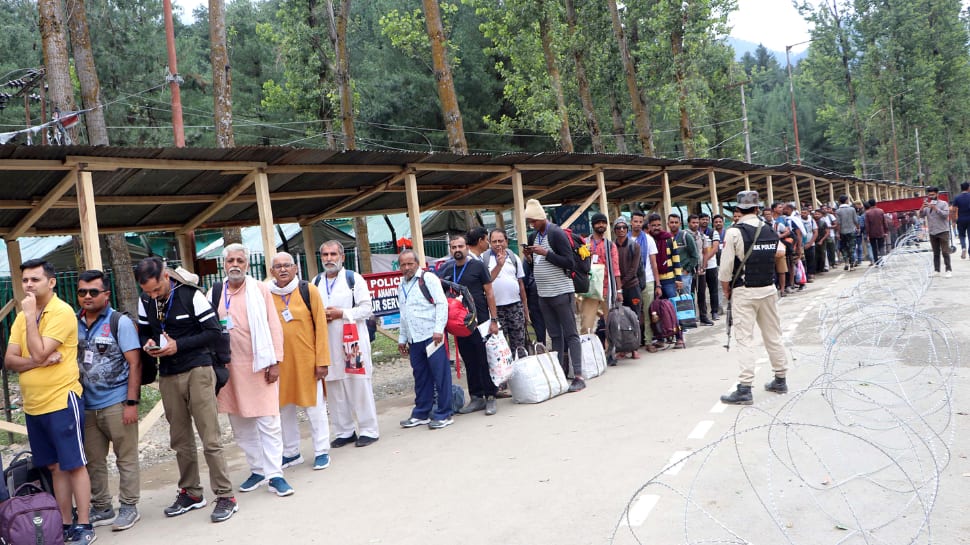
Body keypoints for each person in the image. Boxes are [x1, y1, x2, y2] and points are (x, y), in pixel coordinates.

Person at [135, 257, 238, 522]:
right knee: (180, 439)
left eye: (156, 290)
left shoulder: (191, 296)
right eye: (147, 292)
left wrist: (178, 345)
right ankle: (191, 493)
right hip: (168, 373)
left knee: (210, 437)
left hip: (198, 370)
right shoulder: (145, 300)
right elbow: (145, 332)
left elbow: (214, 333)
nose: (153, 296)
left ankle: (226, 496)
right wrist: (149, 343)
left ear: (166, 277)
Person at [4, 260, 93, 544]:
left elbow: (41, 352)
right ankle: (65, 523)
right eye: (25, 280)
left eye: (35, 280)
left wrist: (31, 320)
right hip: (33, 404)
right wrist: (36, 362)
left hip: (60, 399)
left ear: (51, 282)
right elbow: (9, 360)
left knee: (74, 464)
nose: (28, 285)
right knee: (54, 466)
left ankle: (84, 524)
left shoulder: (61, 312)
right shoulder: (21, 316)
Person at [211, 244, 292, 497]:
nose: (235, 264)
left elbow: (274, 325)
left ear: (247, 265)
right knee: (240, 422)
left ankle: (275, 474)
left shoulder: (260, 290)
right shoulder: (214, 292)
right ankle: (257, 469)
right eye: (231, 260)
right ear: (224, 265)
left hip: (260, 365)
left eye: (240, 260)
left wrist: (276, 361)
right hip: (228, 370)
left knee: (268, 420)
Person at [76, 270, 142, 532]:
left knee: (125, 458)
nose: (87, 296)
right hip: (86, 405)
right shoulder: (73, 322)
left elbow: (134, 364)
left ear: (106, 294)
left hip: (116, 402)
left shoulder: (119, 322)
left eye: (93, 291)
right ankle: (102, 506)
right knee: (93, 460)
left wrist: (131, 403)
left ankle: (129, 507)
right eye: (82, 292)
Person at [718, 192, 790, 405]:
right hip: (768, 289)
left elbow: (725, 270)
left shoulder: (733, 233)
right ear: (758, 209)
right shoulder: (769, 229)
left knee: (745, 339)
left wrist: (727, 291)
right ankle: (780, 378)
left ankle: (745, 388)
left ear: (738, 210)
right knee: (773, 335)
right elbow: (780, 251)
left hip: (745, 291)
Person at [267, 253, 335, 470]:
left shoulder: (308, 290)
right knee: (284, 409)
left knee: (314, 408)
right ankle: (291, 452)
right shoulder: (267, 294)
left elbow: (321, 328)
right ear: (271, 272)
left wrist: (322, 361)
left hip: (307, 362)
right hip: (280, 363)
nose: (283, 269)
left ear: (295, 268)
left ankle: (322, 450)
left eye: (287, 265)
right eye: (278, 266)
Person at [314, 242, 381, 447]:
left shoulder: (353, 279)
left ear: (342, 257)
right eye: (325, 254)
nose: (329, 258)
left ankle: (369, 429)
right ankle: (344, 431)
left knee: (358, 384)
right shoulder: (316, 281)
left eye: (333, 254)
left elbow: (366, 309)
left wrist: (341, 313)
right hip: (328, 343)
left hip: (353, 342)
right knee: (334, 386)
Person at [523, 198, 587, 392]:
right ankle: (559, 373)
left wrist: (545, 253)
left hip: (561, 291)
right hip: (544, 294)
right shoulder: (536, 236)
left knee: (571, 334)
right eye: (530, 222)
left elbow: (569, 262)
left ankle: (578, 375)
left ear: (541, 218)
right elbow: (538, 264)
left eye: (533, 221)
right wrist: (530, 257)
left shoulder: (556, 233)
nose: (532, 225)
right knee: (555, 336)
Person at [438, 234, 501, 415]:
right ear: (450, 250)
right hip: (459, 324)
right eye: (453, 247)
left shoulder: (477, 266)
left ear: (467, 248)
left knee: (483, 359)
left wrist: (494, 320)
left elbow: (489, 293)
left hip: (479, 321)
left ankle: (490, 396)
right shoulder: (447, 269)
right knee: (469, 360)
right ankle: (476, 397)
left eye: (460, 246)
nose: (457, 250)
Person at [396, 249, 453, 430]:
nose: (407, 268)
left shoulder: (428, 279)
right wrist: (402, 338)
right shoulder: (401, 285)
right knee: (420, 376)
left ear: (417, 263)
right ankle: (421, 413)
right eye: (403, 264)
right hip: (414, 338)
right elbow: (403, 313)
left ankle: (444, 413)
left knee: (440, 375)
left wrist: (438, 330)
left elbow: (441, 304)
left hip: (431, 336)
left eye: (410, 264)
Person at [483, 228, 530, 354]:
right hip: (495, 309)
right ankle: (505, 373)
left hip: (515, 306)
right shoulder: (484, 259)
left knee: (519, 343)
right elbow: (486, 282)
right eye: (494, 241)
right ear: (489, 243)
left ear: (506, 242)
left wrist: (525, 309)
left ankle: (520, 369)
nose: (498, 244)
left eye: (500, 241)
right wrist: (499, 264)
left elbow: (521, 285)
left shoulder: (514, 258)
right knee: (500, 346)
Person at [646, 213, 686, 349]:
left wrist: (679, 279)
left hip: (669, 280)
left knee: (673, 309)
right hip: (653, 280)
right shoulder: (647, 239)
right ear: (649, 226)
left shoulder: (669, 239)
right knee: (656, 311)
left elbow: (676, 260)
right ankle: (661, 338)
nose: (656, 228)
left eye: (658, 225)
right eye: (653, 225)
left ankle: (679, 337)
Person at [580, 213, 621, 336]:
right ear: (593, 225)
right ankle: (587, 353)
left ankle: (610, 352)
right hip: (590, 290)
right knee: (586, 325)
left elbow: (616, 269)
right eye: (598, 222)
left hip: (607, 289)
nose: (601, 225)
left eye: (603, 222)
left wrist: (619, 291)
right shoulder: (585, 243)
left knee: (611, 324)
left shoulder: (610, 245)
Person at [613, 216, 644, 358]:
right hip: (618, 288)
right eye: (618, 227)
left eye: (624, 227)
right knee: (620, 318)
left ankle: (634, 348)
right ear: (614, 230)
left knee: (634, 317)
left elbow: (634, 268)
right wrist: (618, 286)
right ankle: (623, 348)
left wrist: (621, 283)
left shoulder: (634, 246)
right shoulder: (612, 246)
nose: (621, 230)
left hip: (632, 287)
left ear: (627, 229)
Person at [631, 210, 660, 348]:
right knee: (633, 313)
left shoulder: (648, 239)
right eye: (635, 221)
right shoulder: (625, 239)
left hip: (647, 280)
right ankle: (633, 344)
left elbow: (654, 263)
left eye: (640, 222)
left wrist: (658, 284)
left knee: (648, 312)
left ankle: (648, 341)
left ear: (643, 223)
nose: (637, 224)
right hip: (630, 283)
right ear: (631, 222)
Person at [919, 186, 953, 277]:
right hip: (932, 231)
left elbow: (945, 215)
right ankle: (937, 270)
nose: (931, 196)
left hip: (943, 231)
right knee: (936, 252)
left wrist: (935, 208)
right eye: (930, 195)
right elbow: (921, 216)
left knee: (945, 251)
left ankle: (948, 270)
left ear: (937, 194)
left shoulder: (943, 204)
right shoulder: (927, 205)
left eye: (933, 194)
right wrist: (922, 208)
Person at [696, 215, 720, 324]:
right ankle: (702, 313)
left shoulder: (713, 232)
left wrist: (704, 260)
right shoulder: (694, 233)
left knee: (713, 289)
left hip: (711, 266)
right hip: (699, 267)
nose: (705, 221)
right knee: (701, 291)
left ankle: (714, 311)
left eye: (707, 219)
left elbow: (715, 248)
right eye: (703, 219)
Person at [669, 214, 698, 296]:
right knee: (673, 299)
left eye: (676, 222)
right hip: (671, 275)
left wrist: (687, 270)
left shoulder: (686, 236)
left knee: (685, 299)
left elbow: (695, 256)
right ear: (668, 224)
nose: (674, 224)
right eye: (671, 222)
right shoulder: (666, 238)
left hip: (684, 274)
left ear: (680, 223)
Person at [835, 195, 859, 270]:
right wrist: (858, 227)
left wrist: (838, 233)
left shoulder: (838, 211)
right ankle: (852, 265)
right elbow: (855, 220)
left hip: (842, 232)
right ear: (846, 201)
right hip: (851, 231)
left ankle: (846, 262)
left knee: (844, 247)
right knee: (851, 248)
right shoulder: (852, 209)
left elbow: (838, 223)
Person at [863, 199, 887, 266]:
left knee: (874, 247)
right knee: (881, 246)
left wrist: (867, 234)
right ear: (875, 203)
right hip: (880, 231)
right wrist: (886, 231)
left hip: (871, 233)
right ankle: (882, 259)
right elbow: (884, 222)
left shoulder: (867, 213)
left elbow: (867, 225)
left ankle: (876, 261)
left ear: (869, 204)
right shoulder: (881, 211)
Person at [951, 181, 970, 259]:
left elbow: (953, 210)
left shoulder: (957, 198)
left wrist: (953, 221)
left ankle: (963, 248)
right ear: (968, 188)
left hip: (961, 219)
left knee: (961, 236)